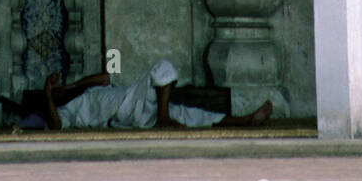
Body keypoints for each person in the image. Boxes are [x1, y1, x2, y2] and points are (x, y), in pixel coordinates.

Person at [39, 60, 273, 131]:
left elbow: (105, 77)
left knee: (191, 115)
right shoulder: (68, 110)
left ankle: (245, 121)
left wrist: (70, 86)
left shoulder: (89, 91)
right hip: (124, 109)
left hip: (139, 111)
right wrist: (48, 95)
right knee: (163, 68)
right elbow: (56, 125)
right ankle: (163, 117)